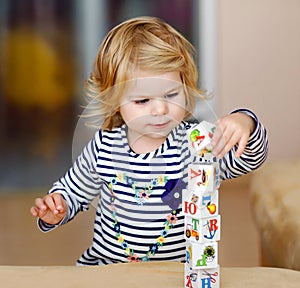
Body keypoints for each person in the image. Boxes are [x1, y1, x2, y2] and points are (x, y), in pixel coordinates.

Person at [30, 16, 268, 265]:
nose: (160, 109)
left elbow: (247, 161)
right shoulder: (104, 147)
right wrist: (56, 209)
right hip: (108, 272)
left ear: (186, 88)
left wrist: (245, 123)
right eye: (142, 101)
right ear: (115, 102)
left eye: (171, 94)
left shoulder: (195, 144)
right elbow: (73, 192)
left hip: (175, 277)